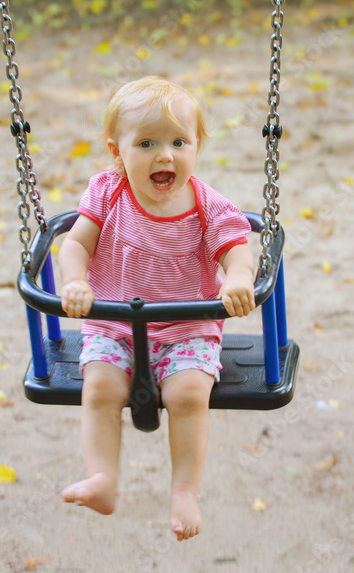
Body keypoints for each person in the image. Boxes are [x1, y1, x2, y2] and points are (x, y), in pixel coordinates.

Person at [58, 76, 256, 540]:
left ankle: (185, 489)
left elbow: (237, 251)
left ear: (196, 147)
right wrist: (75, 281)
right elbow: (74, 246)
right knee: (100, 389)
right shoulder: (107, 194)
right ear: (117, 151)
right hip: (114, 324)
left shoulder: (209, 206)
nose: (164, 155)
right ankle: (103, 479)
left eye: (178, 142)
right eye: (146, 143)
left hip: (188, 328)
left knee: (188, 396)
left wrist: (240, 278)